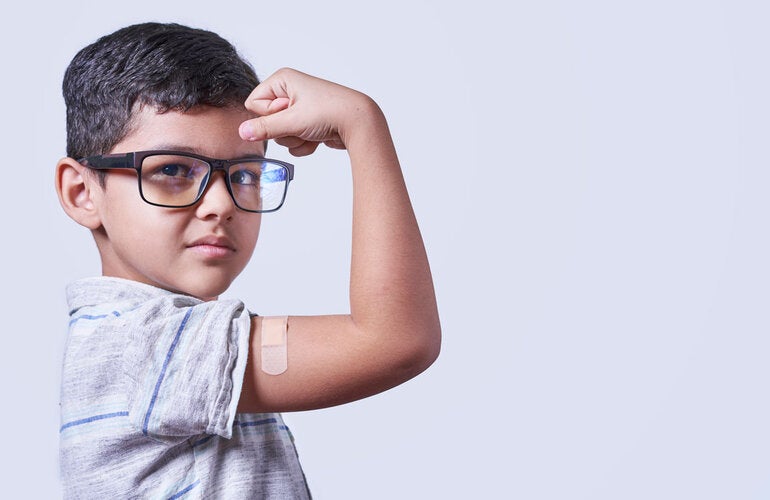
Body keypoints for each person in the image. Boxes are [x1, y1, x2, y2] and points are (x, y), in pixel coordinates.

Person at [54, 22, 441, 498]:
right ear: (81, 192)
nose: (222, 204)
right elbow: (398, 340)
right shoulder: (147, 345)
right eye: (172, 169)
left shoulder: (139, 337)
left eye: (245, 172)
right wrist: (362, 124)